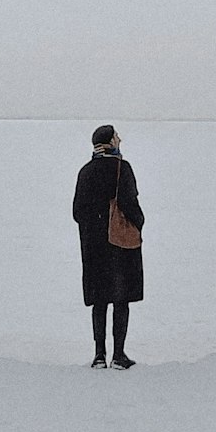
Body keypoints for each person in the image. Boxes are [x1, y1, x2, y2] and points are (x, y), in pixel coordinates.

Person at [72, 122, 144, 369]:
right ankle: (119, 355)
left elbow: (77, 212)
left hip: (93, 246)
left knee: (100, 299)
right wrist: (139, 223)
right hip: (119, 244)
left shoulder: (85, 171)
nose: (120, 140)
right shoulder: (122, 169)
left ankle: (99, 355)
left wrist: (94, 227)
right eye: (117, 137)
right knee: (121, 298)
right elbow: (131, 204)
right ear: (111, 142)